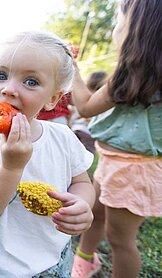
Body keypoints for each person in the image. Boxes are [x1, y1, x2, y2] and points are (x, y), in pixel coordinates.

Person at [0, 31, 96, 277]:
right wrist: (11, 168)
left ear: (53, 99)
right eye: (1, 75)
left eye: (30, 82)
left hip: (54, 260)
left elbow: (81, 182)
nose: (8, 89)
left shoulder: (63, 139)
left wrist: (83, 204)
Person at [70, 1, 162, 277]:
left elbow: (85, 106)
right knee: (96, 212)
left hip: (135, 170)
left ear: (136, 30)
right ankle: (86, 259)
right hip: (113, 160)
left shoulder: (132, 75)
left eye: (121, 19)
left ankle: (90, 261)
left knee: (120, 240)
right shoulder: (137, 74)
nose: (116, 27)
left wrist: (71, 67)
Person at [70, 71, 108, 154]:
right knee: (86, 159)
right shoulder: (101, 101)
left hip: (75, 129)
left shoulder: (81, 95)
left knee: (72, 156)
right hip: (88, 133)